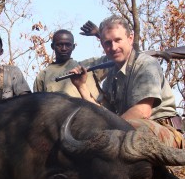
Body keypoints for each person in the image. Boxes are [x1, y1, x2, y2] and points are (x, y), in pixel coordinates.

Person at [70, 15, 184, 148]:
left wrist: (108, 131)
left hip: (162, 130)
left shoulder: (146, 64)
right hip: (129, 130)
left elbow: (142, 111)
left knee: (125, 132)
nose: (113, 47)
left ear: (130, 39)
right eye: (107, 43)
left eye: (118, 40)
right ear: (102, 45)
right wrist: (82, 87)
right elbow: (104, 115)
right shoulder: (112, 75)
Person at [33, 29, 108, 100]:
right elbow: (37, 105)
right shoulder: (43, 75)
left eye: (68, 45)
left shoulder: (88, 65)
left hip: (93, 112)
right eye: (59, 45)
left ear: (73, 47)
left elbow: (116, 57)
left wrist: (99, 34)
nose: (64, 48)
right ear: (53, 46)